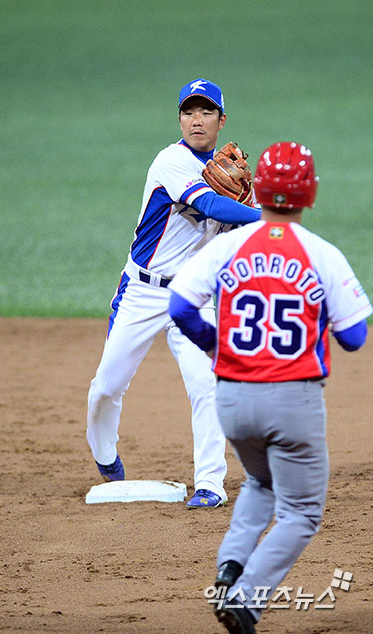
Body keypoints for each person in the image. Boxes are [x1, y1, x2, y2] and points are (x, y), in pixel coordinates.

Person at [168, 141, 372, 632]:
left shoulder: (228, 246)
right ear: (310, 193)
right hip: (293, 402)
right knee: (301, 513)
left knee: (261, 481)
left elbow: (179, 308)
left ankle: (229, 566)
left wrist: (216, 346)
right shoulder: (322, 254)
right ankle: (245, 599)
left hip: (234, 400)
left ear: (256, 190)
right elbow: (354, 337)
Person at [86, 78, 261, 508]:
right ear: (180, 119)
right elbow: (211, 205)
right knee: (106, 387)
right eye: (188, 112)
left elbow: (237, 241)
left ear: (222, 120)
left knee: (207, 383)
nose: (196, 120)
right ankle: (106, 457)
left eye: (206, 112)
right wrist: (267, 215)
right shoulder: (171, 160)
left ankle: (210, 484)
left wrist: (255, 214)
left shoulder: (239, 183)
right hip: (142, 292)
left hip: (193, 297)